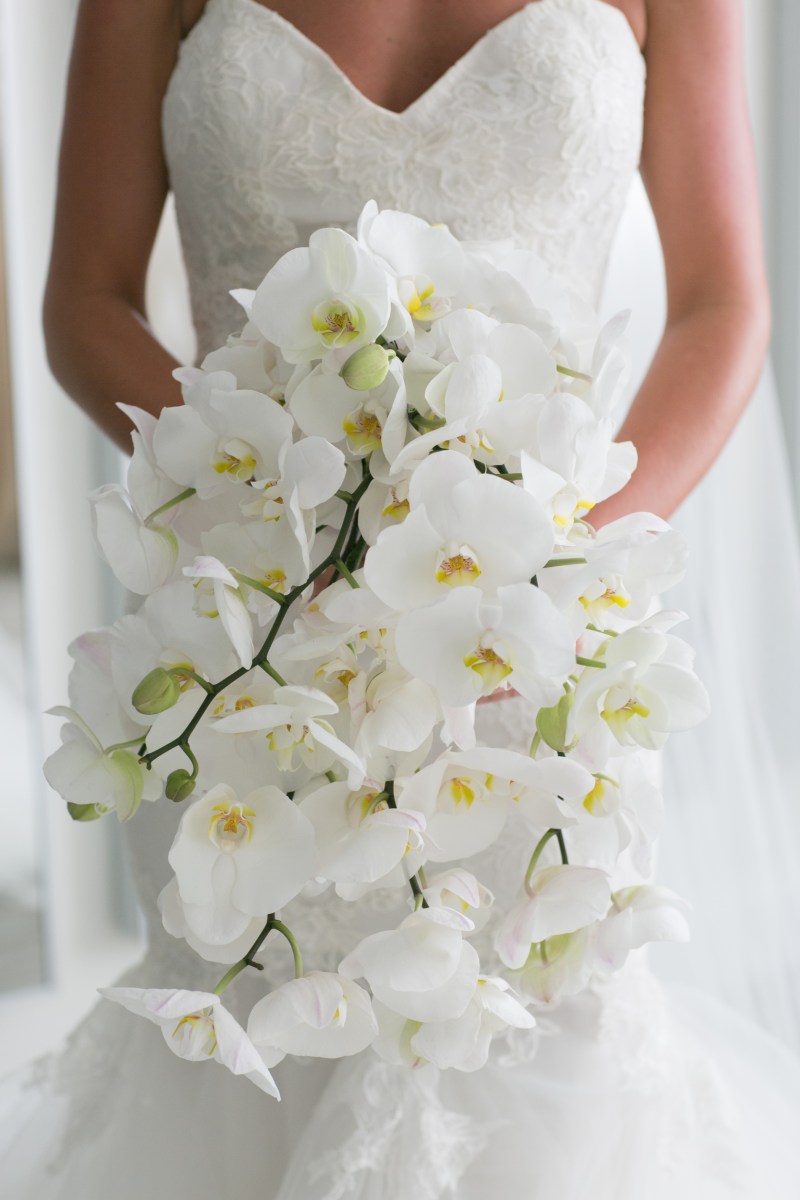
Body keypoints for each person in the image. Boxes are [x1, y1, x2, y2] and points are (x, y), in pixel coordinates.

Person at [2, 1, 799, 1196]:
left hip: (529, 655)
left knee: (538, 1061)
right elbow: (85, 301)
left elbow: (721, 301)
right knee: (246, 1050)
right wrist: (270, 492)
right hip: (253, 643)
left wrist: (564, 556)